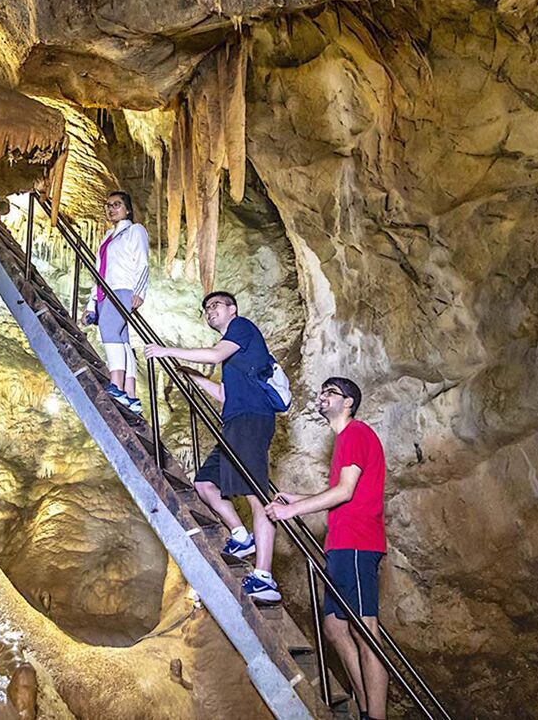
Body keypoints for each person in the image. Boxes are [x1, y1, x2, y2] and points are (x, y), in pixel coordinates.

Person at [144, 291, 282, 603]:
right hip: (234, 422)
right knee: (205, 484)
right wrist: (192, 376)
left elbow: (215, 355)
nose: (210, 311)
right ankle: (241, 536)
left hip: (252, 420)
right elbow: (224, 394)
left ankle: (264, 577)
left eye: (216, 305)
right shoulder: (236, 358)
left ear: (232, 309)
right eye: (206, 308)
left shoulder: (242, 328)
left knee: (256, 496)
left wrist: (167, 351)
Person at [265, 377, 388, 720]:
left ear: (348, 402)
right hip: (341, 545)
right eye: (322, 392)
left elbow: (344, 492)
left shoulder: (356, 433)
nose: (322, 397)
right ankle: (363, 707)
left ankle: (375, 715)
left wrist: (291, 510)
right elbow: (344, 495)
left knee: (366, 631)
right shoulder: (344, 441)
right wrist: (298, 497)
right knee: (335, 629)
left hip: (357, 544)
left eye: (331, 392)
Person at [83, 191, 149, 415]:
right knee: (121, 340)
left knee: (110, 332)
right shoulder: (107, 238)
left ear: (128, 209)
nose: (111, 209)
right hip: (105, 292)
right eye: (108, 205)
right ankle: (130, 395)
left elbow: (142, 263)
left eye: (117, 205)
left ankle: (116, 386)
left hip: (122, 289)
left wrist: (139, 292)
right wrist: (91, 305)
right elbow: (99, 273)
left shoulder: (134, 231)